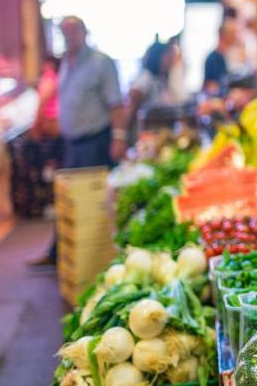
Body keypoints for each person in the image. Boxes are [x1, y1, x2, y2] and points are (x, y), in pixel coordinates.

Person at [29, 16, 125, 266]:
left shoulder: (100, 63)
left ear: (84, 32)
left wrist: (119, 137)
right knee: (68, 199)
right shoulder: (66, 64)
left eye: (73, 32)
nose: (68, 38)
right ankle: (59, 253)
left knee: (92, 202)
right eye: (64, 33)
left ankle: (96, 255)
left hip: (95, 141)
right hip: (72, 143)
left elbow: (116, 104)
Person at [125, 37, 187, 146]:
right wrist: (122, 136)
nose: (170, 60)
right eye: (167, 56)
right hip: (143, 140)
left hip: (159, 140)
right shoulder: (146, 78)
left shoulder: (161, 80)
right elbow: (131, 104)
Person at [203, 21, 239, 95]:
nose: (236, 37)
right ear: (225, 35)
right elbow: (210, 87)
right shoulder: (213, 59)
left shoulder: (227, 56)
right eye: (233, 34)